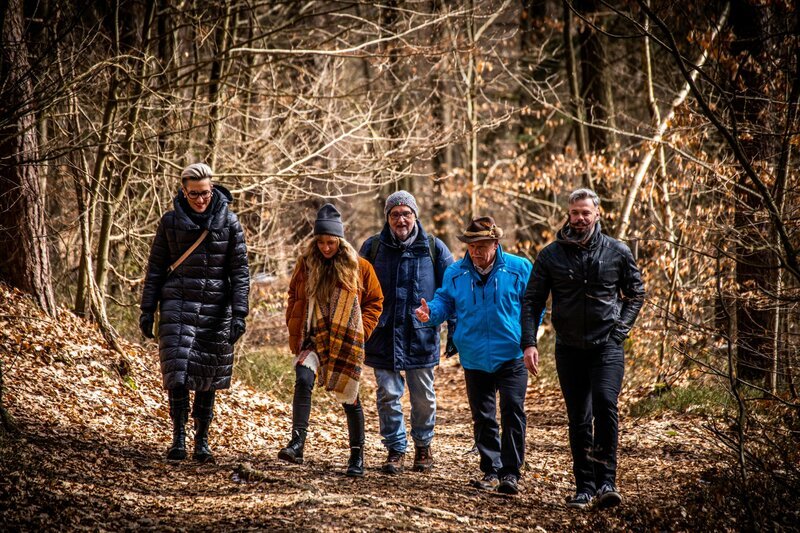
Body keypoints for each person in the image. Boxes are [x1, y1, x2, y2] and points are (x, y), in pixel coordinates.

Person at [521, 188, 645, 510]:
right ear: (568, 214)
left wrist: (621, 330)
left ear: (597, 214)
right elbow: (532, 300)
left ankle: (607, 482)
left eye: (585, 213)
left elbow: (636, 292)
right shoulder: (551, 255)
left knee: (605, 406)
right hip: (569, 348)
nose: (579, 218)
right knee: (578, 417)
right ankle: (584, 487)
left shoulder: (617, 251)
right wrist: (529, 343)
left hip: (607, 346)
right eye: (574, 213)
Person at [140, 162, 250, 464]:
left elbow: (240, 271)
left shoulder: (229, 223)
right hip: (177, 304)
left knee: (207, 377)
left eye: (205, 193)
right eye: (194, 194)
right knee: (176, 374)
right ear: (183, 192)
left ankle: (202, 440)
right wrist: (147, 309)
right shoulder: (170, 222)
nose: (201, 199)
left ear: (212, 190)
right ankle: (178, 436)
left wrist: (240, 313)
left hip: (216, 309)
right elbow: (156, 268)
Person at [415, 216, 531, 495]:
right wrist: (430, 313)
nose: (476, 251)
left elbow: (533, 304)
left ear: (495, 242)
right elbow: (444, 301)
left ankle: (511, 473)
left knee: (513, 411)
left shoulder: (519, 268)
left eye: (481, 245)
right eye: (471, 246)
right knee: (483, 415)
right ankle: (491, 469)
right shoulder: (456, 273)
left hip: (511, 354)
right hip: (474, 355)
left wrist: (529, 338)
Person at [280, 203, 383, 477]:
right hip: (313, 338)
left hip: (344, 340)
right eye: (321, 242)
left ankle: (357, 456)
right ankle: (297, 443)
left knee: (350, 396)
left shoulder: (360, 267)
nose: (325, 248)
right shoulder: (306, 263)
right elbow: (294, 294)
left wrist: (362, 331)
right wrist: (294, 321)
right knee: (303, 377)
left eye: (331, 242)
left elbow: (375, 301)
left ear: (340, 239)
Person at [359, 191, 456, 474]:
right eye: (395, 214)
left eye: (406, 213)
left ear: (415, 216)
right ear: (387, 218)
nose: (401, 219)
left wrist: (454, 332)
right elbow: (356, 291)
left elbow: (451, 294)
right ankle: (395, 449)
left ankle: (423, 446)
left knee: (423, 397)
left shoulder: (434, 248)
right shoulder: (372, 247)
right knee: (388, 395)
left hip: (421, 335)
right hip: (382, 334)